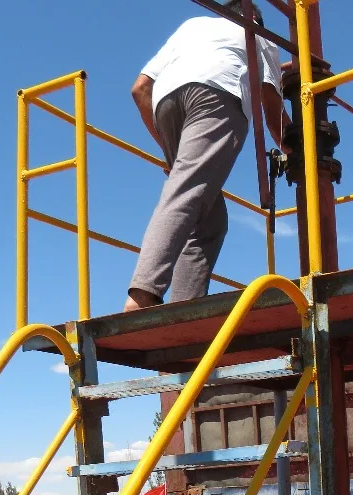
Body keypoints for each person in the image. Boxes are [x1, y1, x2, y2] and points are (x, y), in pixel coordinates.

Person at [124, 1, 290, 312]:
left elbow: (140, 89)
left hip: (165, 102)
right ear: (254, 17)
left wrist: (170, 156)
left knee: (210, 220)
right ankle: (142, 295)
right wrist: (300, 146)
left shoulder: (194, 27)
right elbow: (273, 113)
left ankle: (184, 308)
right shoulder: (259, 35)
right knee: (187, 192)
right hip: (217, 94)